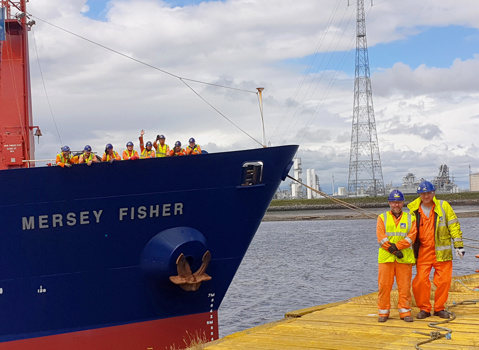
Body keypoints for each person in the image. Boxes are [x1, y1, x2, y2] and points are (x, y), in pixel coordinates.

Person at [407, 180, 465, 320]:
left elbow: (453, 225)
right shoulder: (413, 211)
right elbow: (408, 231)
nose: (426, 196)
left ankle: (439, 308)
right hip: (423, 252)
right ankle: (424, 309)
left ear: (433, 193)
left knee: (444, 281)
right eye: (423, 193)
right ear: (419, 195)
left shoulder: (443, 206)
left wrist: (458, 245)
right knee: (420, 281)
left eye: (429, 193)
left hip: (442, 251)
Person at [376, 190, 417, 323]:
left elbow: (412, 237)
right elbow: (381, 237)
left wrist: (398, 247)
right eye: (393, 202)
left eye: (398, 202)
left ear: (403, 203)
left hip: (404, 258)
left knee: (404, 286)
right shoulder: (382, 217)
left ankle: (405, 312)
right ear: (389, 203)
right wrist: (392, 249)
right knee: (384, 286)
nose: (396, 205)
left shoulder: (411, 218)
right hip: (386, 258)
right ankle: (383, 312)